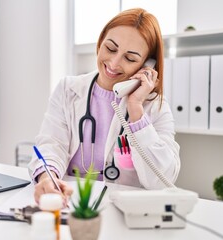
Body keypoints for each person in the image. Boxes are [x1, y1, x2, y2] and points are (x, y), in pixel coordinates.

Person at [28, 8, 180, 204]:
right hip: (71, 203)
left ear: (146, 65)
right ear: (100, 43)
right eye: (110, 48)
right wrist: (48, 177)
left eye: (130, 58)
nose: (114, 63)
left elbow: (161, 181)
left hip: (121, 210)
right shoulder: (68, 89)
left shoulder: (155, 106)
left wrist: (136, 111)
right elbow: (51, 144)